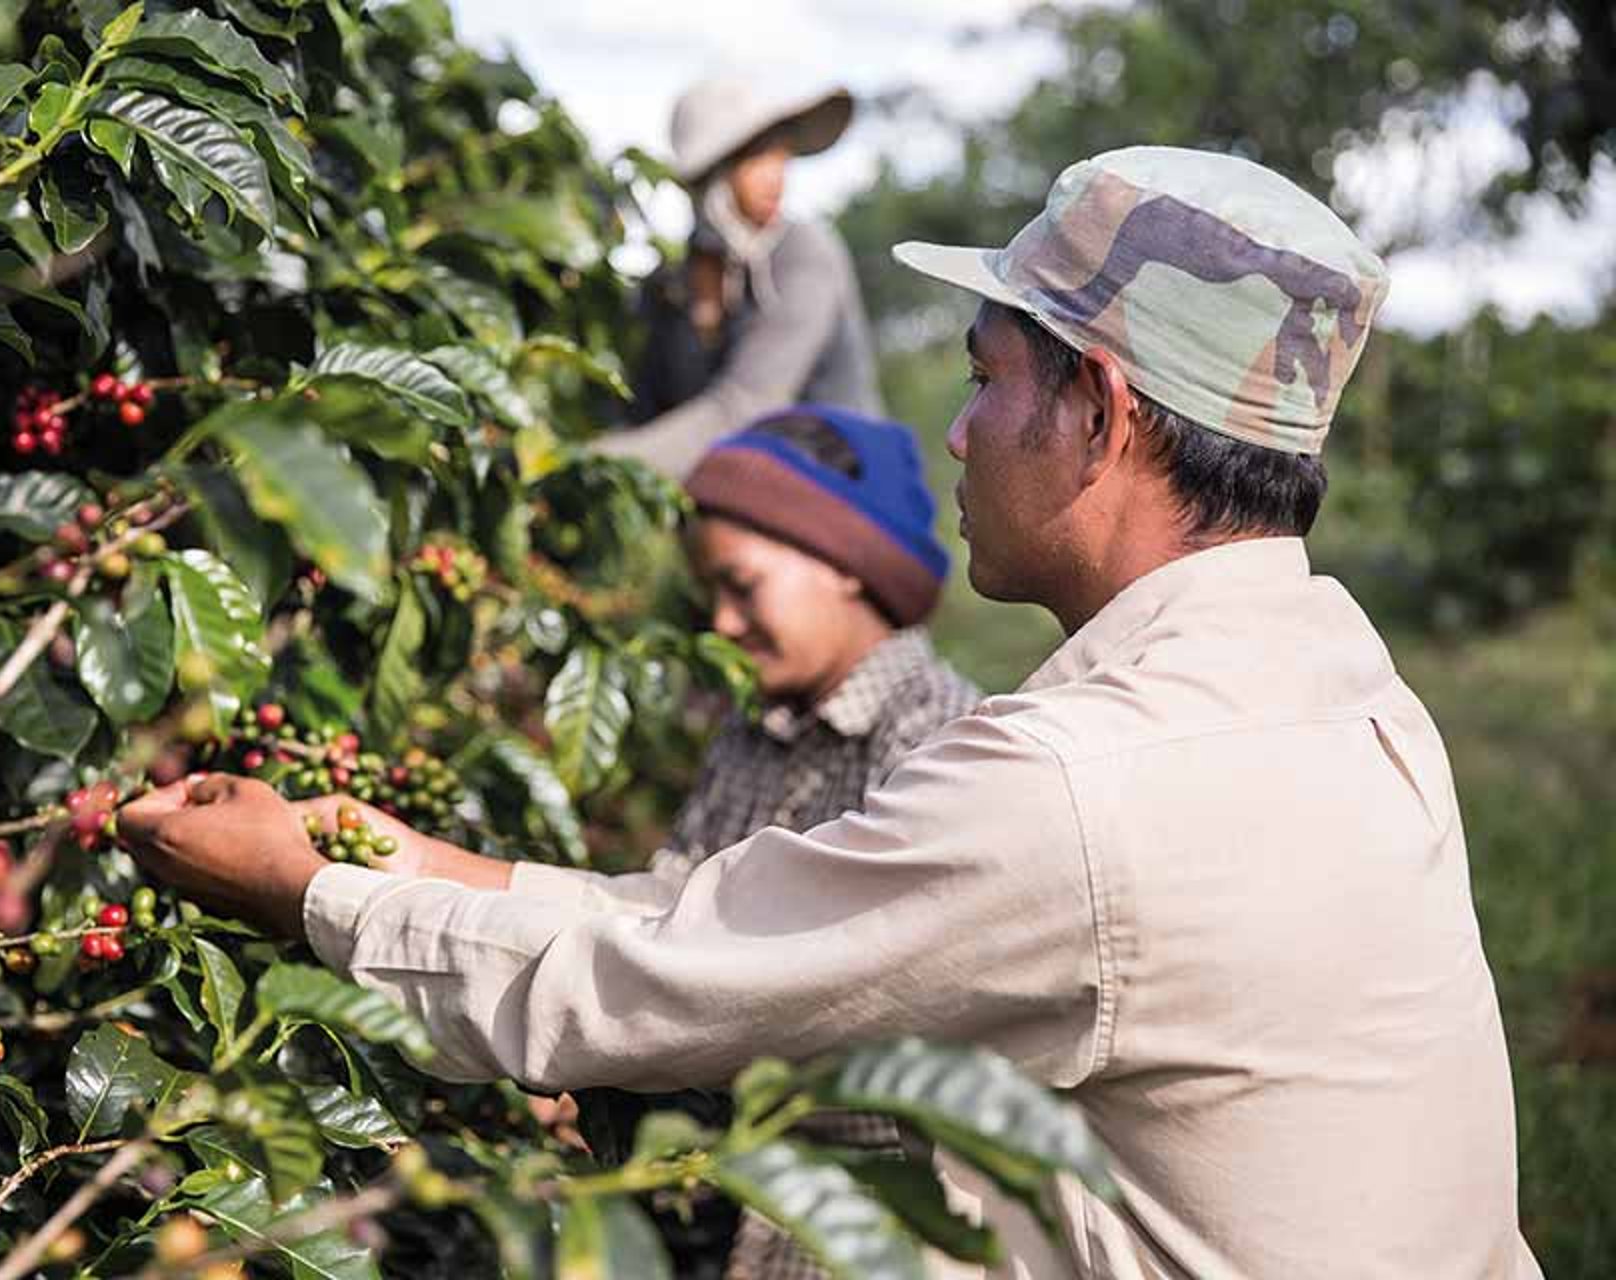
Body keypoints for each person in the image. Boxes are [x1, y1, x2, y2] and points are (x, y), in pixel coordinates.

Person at [121, 146, 1544, 1278]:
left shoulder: (1080, 785)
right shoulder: (1352, 697)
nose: (959, 432)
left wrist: (306, 892)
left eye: (986, 380)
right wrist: (421, 861)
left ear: (1102, 416)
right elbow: (723, 919)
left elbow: (660, 983)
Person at [572, 404, 984, 1278]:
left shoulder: (941, 742)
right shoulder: (753, 733)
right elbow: (672, 913)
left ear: (844, 563)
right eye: (710, 596)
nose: (721, 624)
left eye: (742, 586)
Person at [599, 77, 884, 479]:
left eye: (780, 155)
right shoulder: (668, 289)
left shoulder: (803, 254)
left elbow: (747, 406)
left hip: (846, 485)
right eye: (756, 158)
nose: (776, 176)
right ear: (713, 175)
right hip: (733, 490)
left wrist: (593, 463)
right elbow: (640, 412)